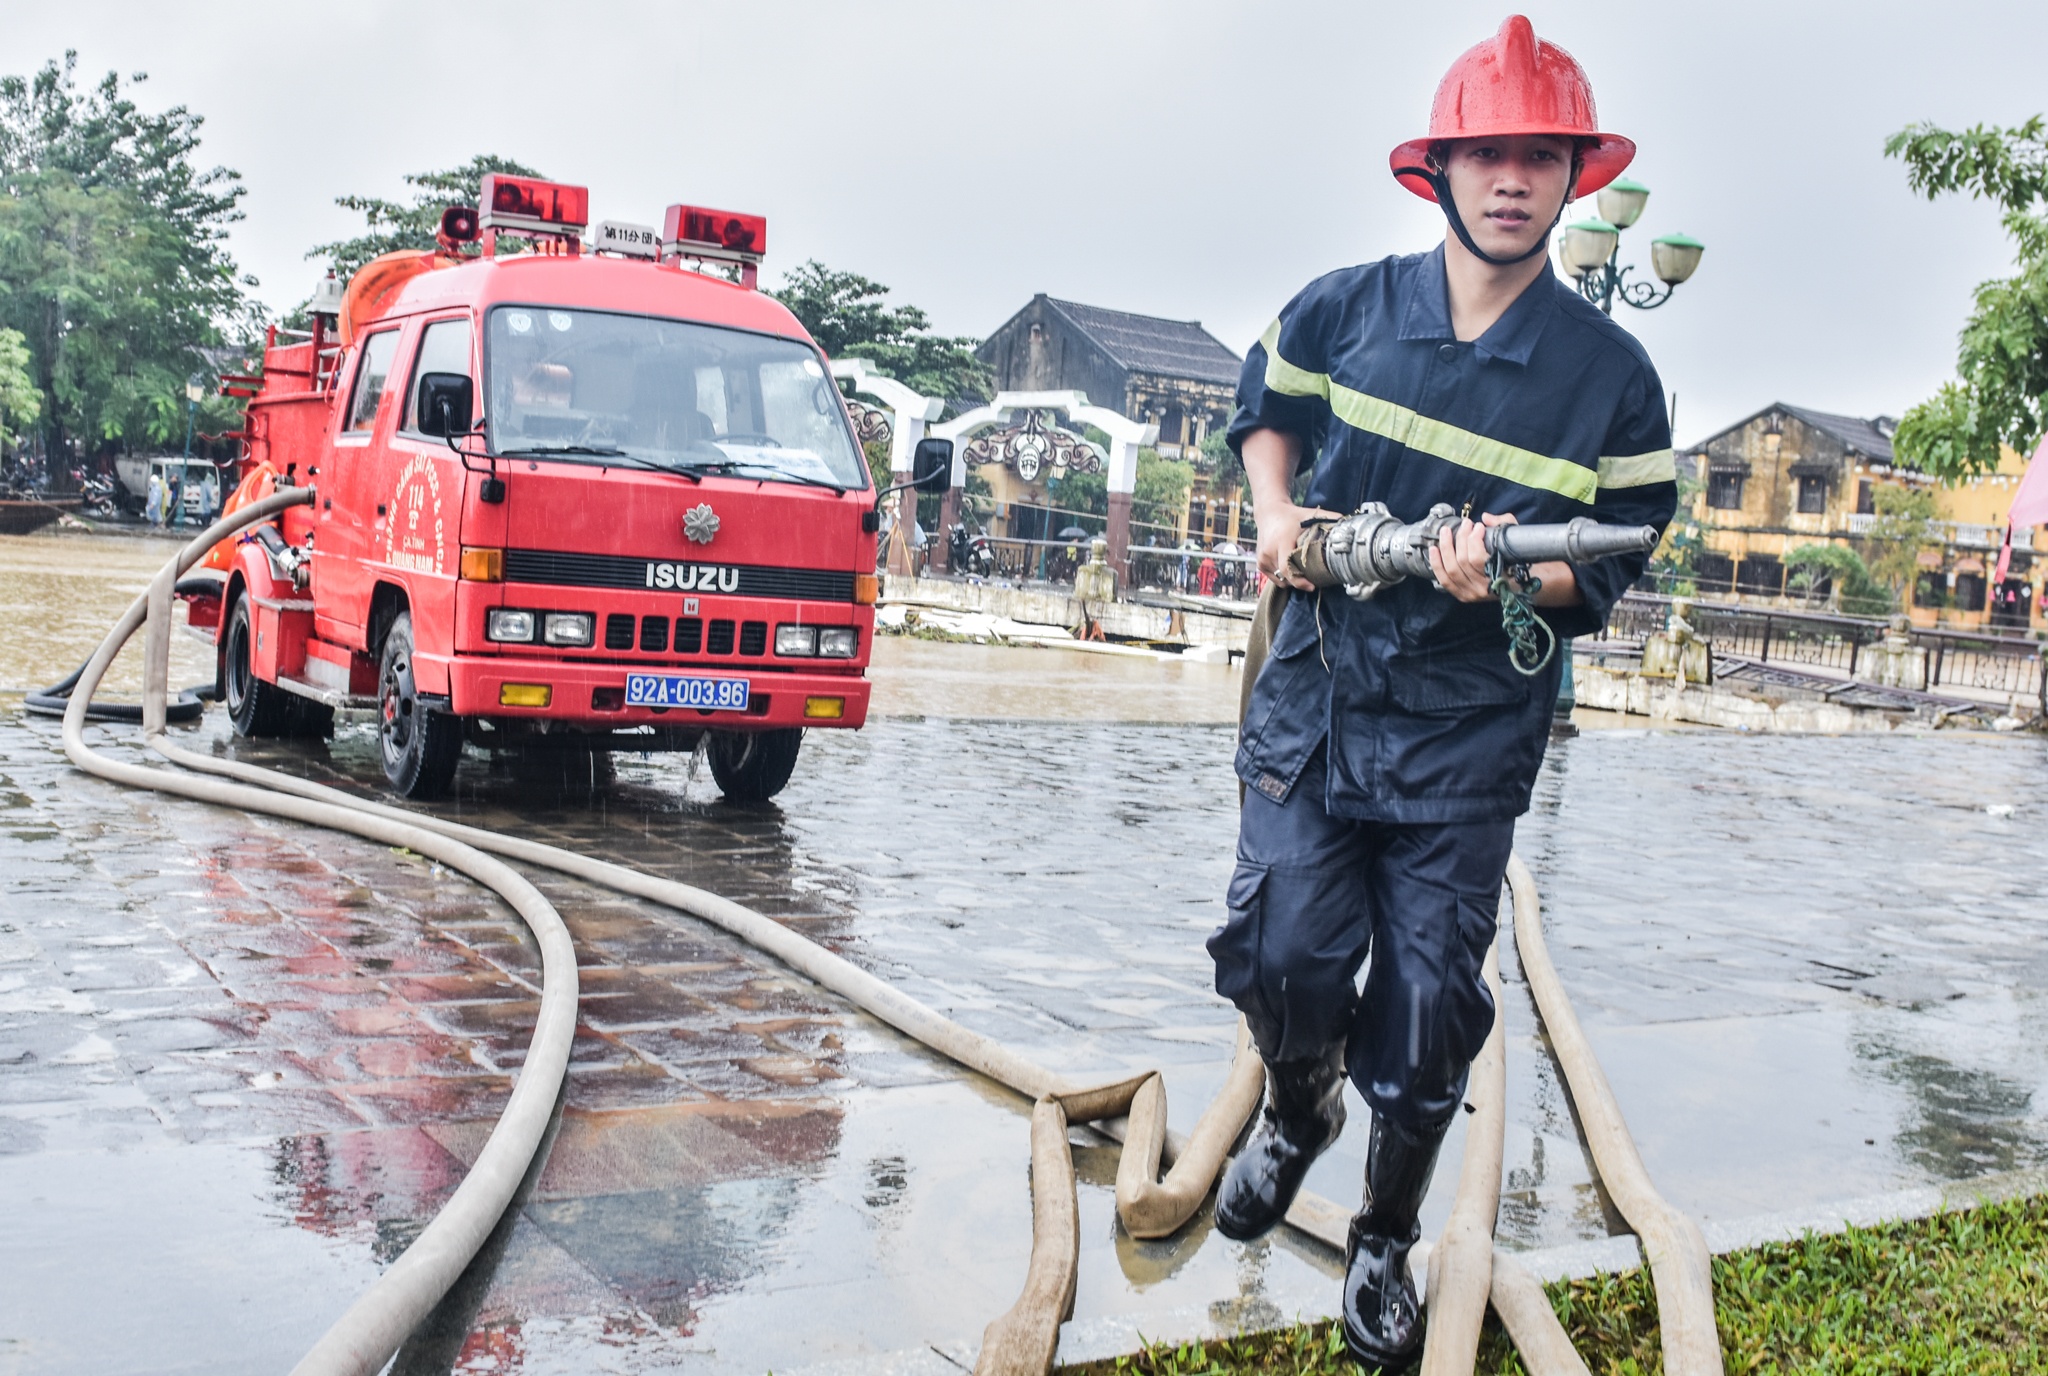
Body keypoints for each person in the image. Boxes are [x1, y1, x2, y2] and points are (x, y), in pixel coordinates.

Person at [1203, 17, 1676, 1369]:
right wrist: (1281, 512)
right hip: (1317, 698)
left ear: (1575, 174)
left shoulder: (1612, 381)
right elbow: (1267, 416)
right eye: (1489, 153)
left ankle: (1382, 1239)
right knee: (1282, 958)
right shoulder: (1342, 309)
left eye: (1540, 155)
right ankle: (1296, 1111)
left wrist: (1513, 586)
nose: (1513, 178)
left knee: (1422, 1020)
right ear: (1441, 168)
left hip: (1466, 737)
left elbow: (1614, 567)